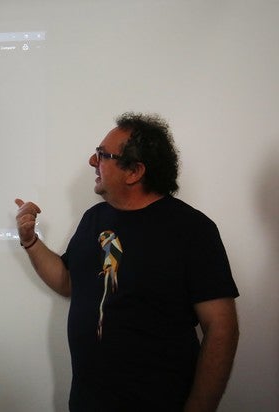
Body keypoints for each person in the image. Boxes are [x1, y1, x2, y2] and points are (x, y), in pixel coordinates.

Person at [15, 112, 239, 412]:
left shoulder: (191, 230)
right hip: (87, 402)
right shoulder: (94, 218)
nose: (92, 162)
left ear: (134, 171)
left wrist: (199, 407)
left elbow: (222, 328)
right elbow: (68, 281)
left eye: (102, 155)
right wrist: (30, 240)